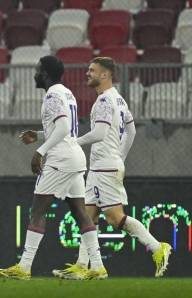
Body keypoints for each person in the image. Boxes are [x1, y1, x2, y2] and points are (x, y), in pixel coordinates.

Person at [52, 57, 171, 280]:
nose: (87, 73)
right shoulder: (119, 99)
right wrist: (121, 156)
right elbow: (131, 131)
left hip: (105, 168)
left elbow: (99, 134)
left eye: (92, 70)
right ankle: (83, 265)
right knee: (87, 216)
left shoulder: (105, 101)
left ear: (105, 74)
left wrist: (72, 142)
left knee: (115, 219)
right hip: (101, 166)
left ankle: (158, 248)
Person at [0, 55, 107, 280]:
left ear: (45, 74)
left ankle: (24, 267)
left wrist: (40, 151)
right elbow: (64, 127)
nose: (35, 74)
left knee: (38, 211)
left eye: (37, 70)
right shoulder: (66, 93)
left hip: (59, 160)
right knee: (80, 212)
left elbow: (64, 126)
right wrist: (37, 135)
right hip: (75, 157)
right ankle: (97, 266)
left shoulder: (52, 95)